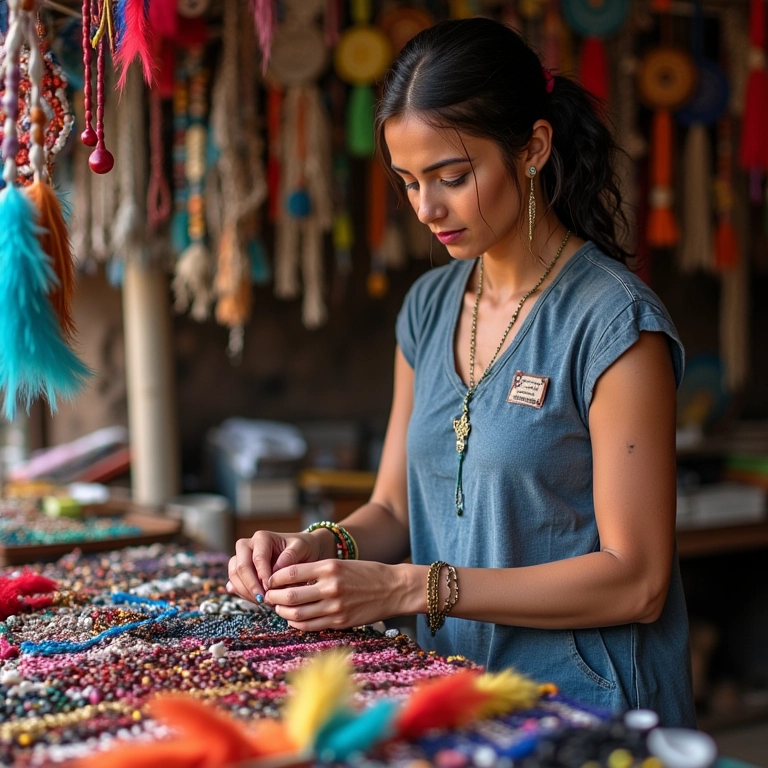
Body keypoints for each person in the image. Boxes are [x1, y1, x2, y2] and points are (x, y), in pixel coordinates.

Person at [228, 17, 696, 727]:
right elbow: (392, 511)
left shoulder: (613, 325)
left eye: (453, 176)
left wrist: (409, 589)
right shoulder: (428, 306)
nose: (427, 208)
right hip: (452, 697)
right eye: (410, 181)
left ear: (533, 148)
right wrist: (318, 548)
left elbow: (637, 582)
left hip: (589, 709)